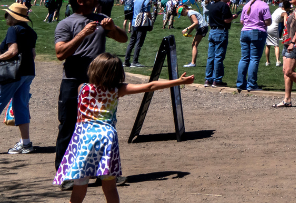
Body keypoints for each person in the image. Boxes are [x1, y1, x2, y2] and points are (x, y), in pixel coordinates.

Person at [53, 52, 194, 201]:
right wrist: (178, 81)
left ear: (93, 70)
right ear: (118, 74)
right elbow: (150, 86)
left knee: (79, 188)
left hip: (84, 139)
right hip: (107, 138)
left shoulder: (82, 88)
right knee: (110, 188)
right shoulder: (117, 90)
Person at [54, 0, 127, 170]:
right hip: (73, 80)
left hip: (98, 83)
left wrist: (112, 29)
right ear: (80, 1)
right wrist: (82, 33)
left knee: (101, 126)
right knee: (68, 126)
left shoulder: (101, 19)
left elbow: (123, 39)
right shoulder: (66, 23)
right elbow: (60, 53)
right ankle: (65, 172)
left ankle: (104, 172)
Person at [0, 2, 37, 154]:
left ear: (13, 17)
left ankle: (26, 144)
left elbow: (12, 51)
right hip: (28, 72)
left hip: (13, 73)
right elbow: (33, 54)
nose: (5, 16)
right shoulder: (30, 31)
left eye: (7, 14)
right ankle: (26, 144)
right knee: (20, 106)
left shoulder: (13, 30)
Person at [236, 0, 270, 92]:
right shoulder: (264, 5)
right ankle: (251, 84)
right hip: (257, 32)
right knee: (254, 58)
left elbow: (242, 21)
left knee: (244, 58)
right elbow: (268, 21)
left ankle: (240, 83)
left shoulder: (247, 5)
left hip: (245, 31)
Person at [204, 0, 234, 87]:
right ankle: (217, 80)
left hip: (212, 31)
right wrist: (233, 17)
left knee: (210, 57)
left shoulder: (212, 5)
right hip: (221, 31)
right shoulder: (224, 6)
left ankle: (208, 79)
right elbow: (226, 20)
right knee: (218, 57)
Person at [123, 0, 154, 69]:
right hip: (142, 23)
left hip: (134, 22)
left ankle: (126, 61)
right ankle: (135, 61)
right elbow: (148, 13)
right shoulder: (146, 1)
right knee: (139, 42)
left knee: (132, 42)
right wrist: (151, 22)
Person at [179, 1, 207, 68]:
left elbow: (196, 22)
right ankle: (193, 62)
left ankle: (193, 63)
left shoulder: (190, 13)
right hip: (201, 28)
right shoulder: (190, 13)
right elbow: (193, 25)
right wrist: (188, 33)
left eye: (181, 14)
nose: (182, 15)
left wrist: (186, 29)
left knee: (194, 45)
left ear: (183, 10)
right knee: (193, 44)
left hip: (202, 28)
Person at [266, 0, 288, 68]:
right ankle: (278, 61)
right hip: (274, 27)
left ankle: (267, 61)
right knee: (276, 45)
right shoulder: (284, 13)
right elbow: (285, 24)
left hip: (268, 26)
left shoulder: (278, 9)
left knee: (268, 45)